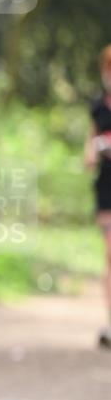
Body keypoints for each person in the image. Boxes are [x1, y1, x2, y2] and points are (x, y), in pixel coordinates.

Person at [84, 43, 111, 349]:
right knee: (110, 254)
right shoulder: (98, 108)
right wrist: (95, 151)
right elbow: (88, 150)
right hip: (106, 187)